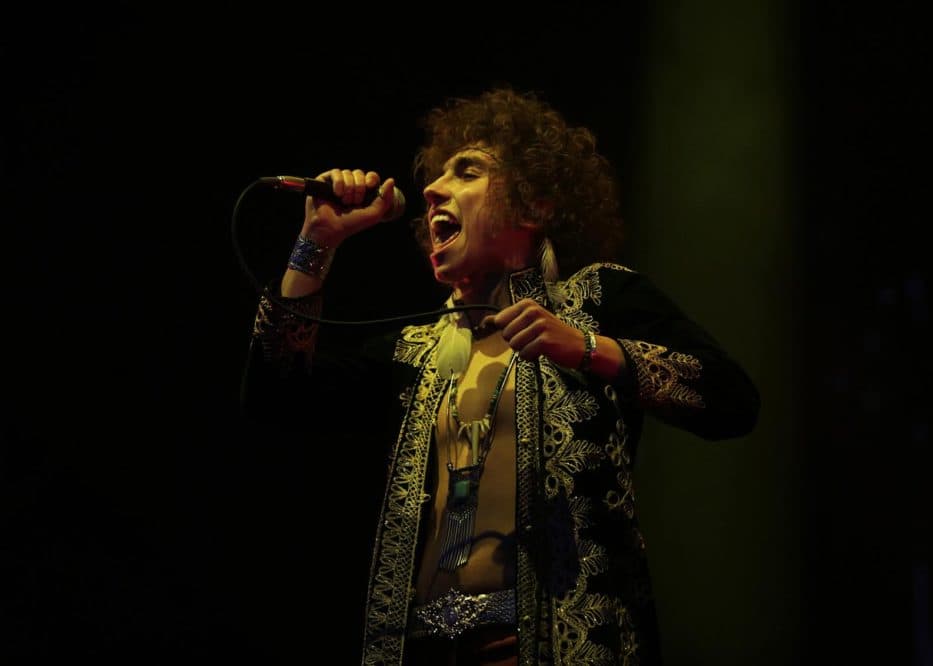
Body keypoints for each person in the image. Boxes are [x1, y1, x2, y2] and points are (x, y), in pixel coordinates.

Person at [240, 87, 760, 665]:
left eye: (467, 172)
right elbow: (276, 393)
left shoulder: (598, 299)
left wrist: (590, 348)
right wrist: (317, 242)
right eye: (435, 178)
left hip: (558, 647)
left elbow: (732, 401)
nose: (433, 189)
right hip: (421, 650)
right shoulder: (415, 349)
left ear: (533, 204)